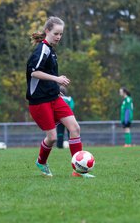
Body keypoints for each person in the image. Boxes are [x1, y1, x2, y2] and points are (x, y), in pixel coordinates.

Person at [26, 16, 95, 178]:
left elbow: (46, 74)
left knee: (75, 128)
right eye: (56, 33)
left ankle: (78, 171)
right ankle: (41, 162)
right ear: (47, 31)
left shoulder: (51, 50)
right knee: (52, 137)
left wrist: (55, 88)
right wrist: (57, 79)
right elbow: (34, 72)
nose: (59, 37)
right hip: (39, 101)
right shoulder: (42, 49)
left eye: (61, 34)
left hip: (54, 97)